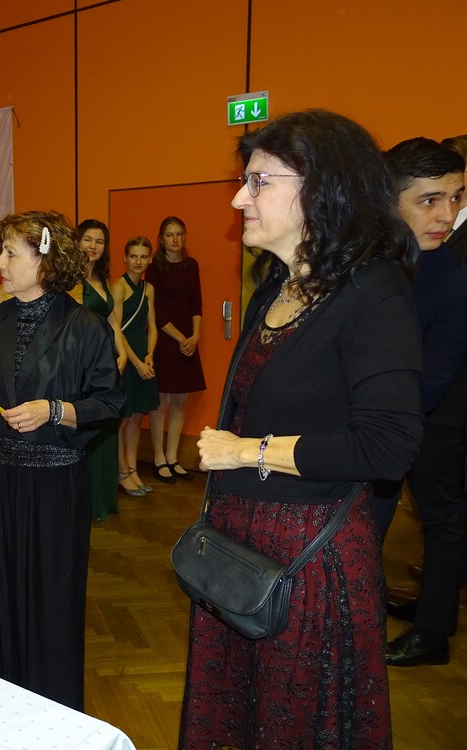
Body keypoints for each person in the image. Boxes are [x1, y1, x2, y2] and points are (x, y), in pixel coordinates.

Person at [182, 109, 423, 748]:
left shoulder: (374, 294)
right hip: (239, 550)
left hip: (308, 562)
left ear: (322, 188)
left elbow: (388, 446)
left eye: (259, 182)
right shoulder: (275, 287)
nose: (239, 199)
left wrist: (247, 451)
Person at [0, 210, 124, 711]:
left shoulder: (86, 326)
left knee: (50, 598)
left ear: (44, 259)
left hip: (52, 486)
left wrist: (54, 410)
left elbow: (109, 402)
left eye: (9, 253)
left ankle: (49, 712)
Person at [381, 138, 466, 667]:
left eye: (456, 198)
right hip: (391, 417)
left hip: (436, 416)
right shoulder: (379, 260)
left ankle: (434, 632)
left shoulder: (447, 277)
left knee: (442, 518)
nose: (448, 215)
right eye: (431, 200)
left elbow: (430, 380)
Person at [144, 216, 205, 483]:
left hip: (188, 340)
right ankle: (158, 458)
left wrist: (195, 336)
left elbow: (196, 303)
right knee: (161, 403)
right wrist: (181, 338)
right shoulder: (154, 267)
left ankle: (173, 457)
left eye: (179, 234)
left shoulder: (191, 265)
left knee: (180, 402)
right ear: (161, 239)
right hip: (164, 338)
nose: (175, 239)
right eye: (170, 235)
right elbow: (156, 310)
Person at [77, 219, 126, 520]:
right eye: (87, 239)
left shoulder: (102, 279)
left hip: (107, 361)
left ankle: (103, 498)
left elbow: (112, 321)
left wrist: (122, 352)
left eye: (99, 241)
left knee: (107, 426)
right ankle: (87, 502)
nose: (93, 246)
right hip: (85, 362)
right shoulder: (71, 280)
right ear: (77, 242)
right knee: (89, 427)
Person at [111, 237, 160, 496]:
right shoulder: (118, 287)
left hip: (143, 356)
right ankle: (122, 473)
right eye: (133, 256)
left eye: (143, 257)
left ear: (150, 259)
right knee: (124, 417)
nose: (138, 261)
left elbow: (152, 326)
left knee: (137, 417)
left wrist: (149, 354)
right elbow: (117, 328)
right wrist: (137, 362)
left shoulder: (148, 288)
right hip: (126, 357)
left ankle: (133, 469)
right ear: (125, 258)